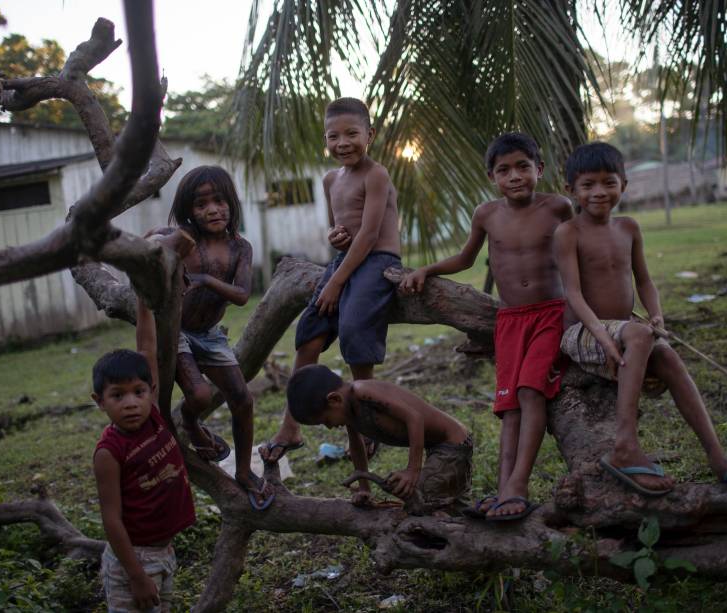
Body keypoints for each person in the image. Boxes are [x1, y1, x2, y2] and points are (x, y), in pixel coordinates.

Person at [553, 141, 727, 497]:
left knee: (666, 354)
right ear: (570, 189)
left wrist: (656, 316)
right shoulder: (568, 233)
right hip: (582, 332)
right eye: (588, 185)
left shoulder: (629, 228)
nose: (599, 192)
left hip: (627, 329)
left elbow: (645, 281)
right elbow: (573, 294)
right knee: (639, 336)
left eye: (609, 182)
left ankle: (718, 457)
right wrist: (603, 336)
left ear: (624, 184)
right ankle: (625, 445)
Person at [401, 132, 573, 521]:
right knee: (509, 406)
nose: (515, 176)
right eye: (504, 170)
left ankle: (518, 486)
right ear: (492, 178)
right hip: (510, 321)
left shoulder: (558, 208)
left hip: (551, 315)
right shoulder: (486, 214)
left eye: (523, 167)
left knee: (531, 392)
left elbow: (581, 252)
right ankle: (502, 491)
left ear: (539, 170)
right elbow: (465, 258)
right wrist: (426, 269)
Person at [260, 97, 401, 464]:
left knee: (353, 329)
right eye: (333, 136)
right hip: (345, 259)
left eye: (352, 134)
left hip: (376, 261)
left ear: (369, 134)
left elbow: (369, 236)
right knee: (310, 331)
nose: (342, 143)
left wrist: (337, 282)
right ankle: (290, 426)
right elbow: (340, 228)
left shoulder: (377, 174)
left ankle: (369, 419)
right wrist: (334, 237)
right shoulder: (329, 179)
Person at [152, 165, 273, 510]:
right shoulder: (182, 240)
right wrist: (155, 242)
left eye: (219, 201)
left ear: (231, 203)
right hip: (175, 332)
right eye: (201, 204)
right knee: (201, 395)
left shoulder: (240, 248)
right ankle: (189, 419)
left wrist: (204, 280)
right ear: (189, 210)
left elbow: (241, 295)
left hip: (209, 334)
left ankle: (245, 472)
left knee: (243, 399)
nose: (212, 210)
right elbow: (152, 239)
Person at [92, 279, 195, 612]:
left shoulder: (156, 418)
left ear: (152, 389)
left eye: (139, 391)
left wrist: (142, 295)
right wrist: (136, 575)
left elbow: (147, 346)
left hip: (165, 553)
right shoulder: (109, 452)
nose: (131, 403)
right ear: (100, 401)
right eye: (117, 396)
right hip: (131, 562)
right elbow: (111, 520)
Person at [286, 364, 472, 515]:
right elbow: (357, 446)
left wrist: (412, 470)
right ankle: (457, 513)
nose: (329, 427)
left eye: (326, 420)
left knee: (422, 499)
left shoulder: (363, 391)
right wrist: (364, 489)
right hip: (436, 448)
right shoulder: (350, 413)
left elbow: (414, 417)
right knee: (431, 498)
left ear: (334, 400)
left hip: (452, 443)